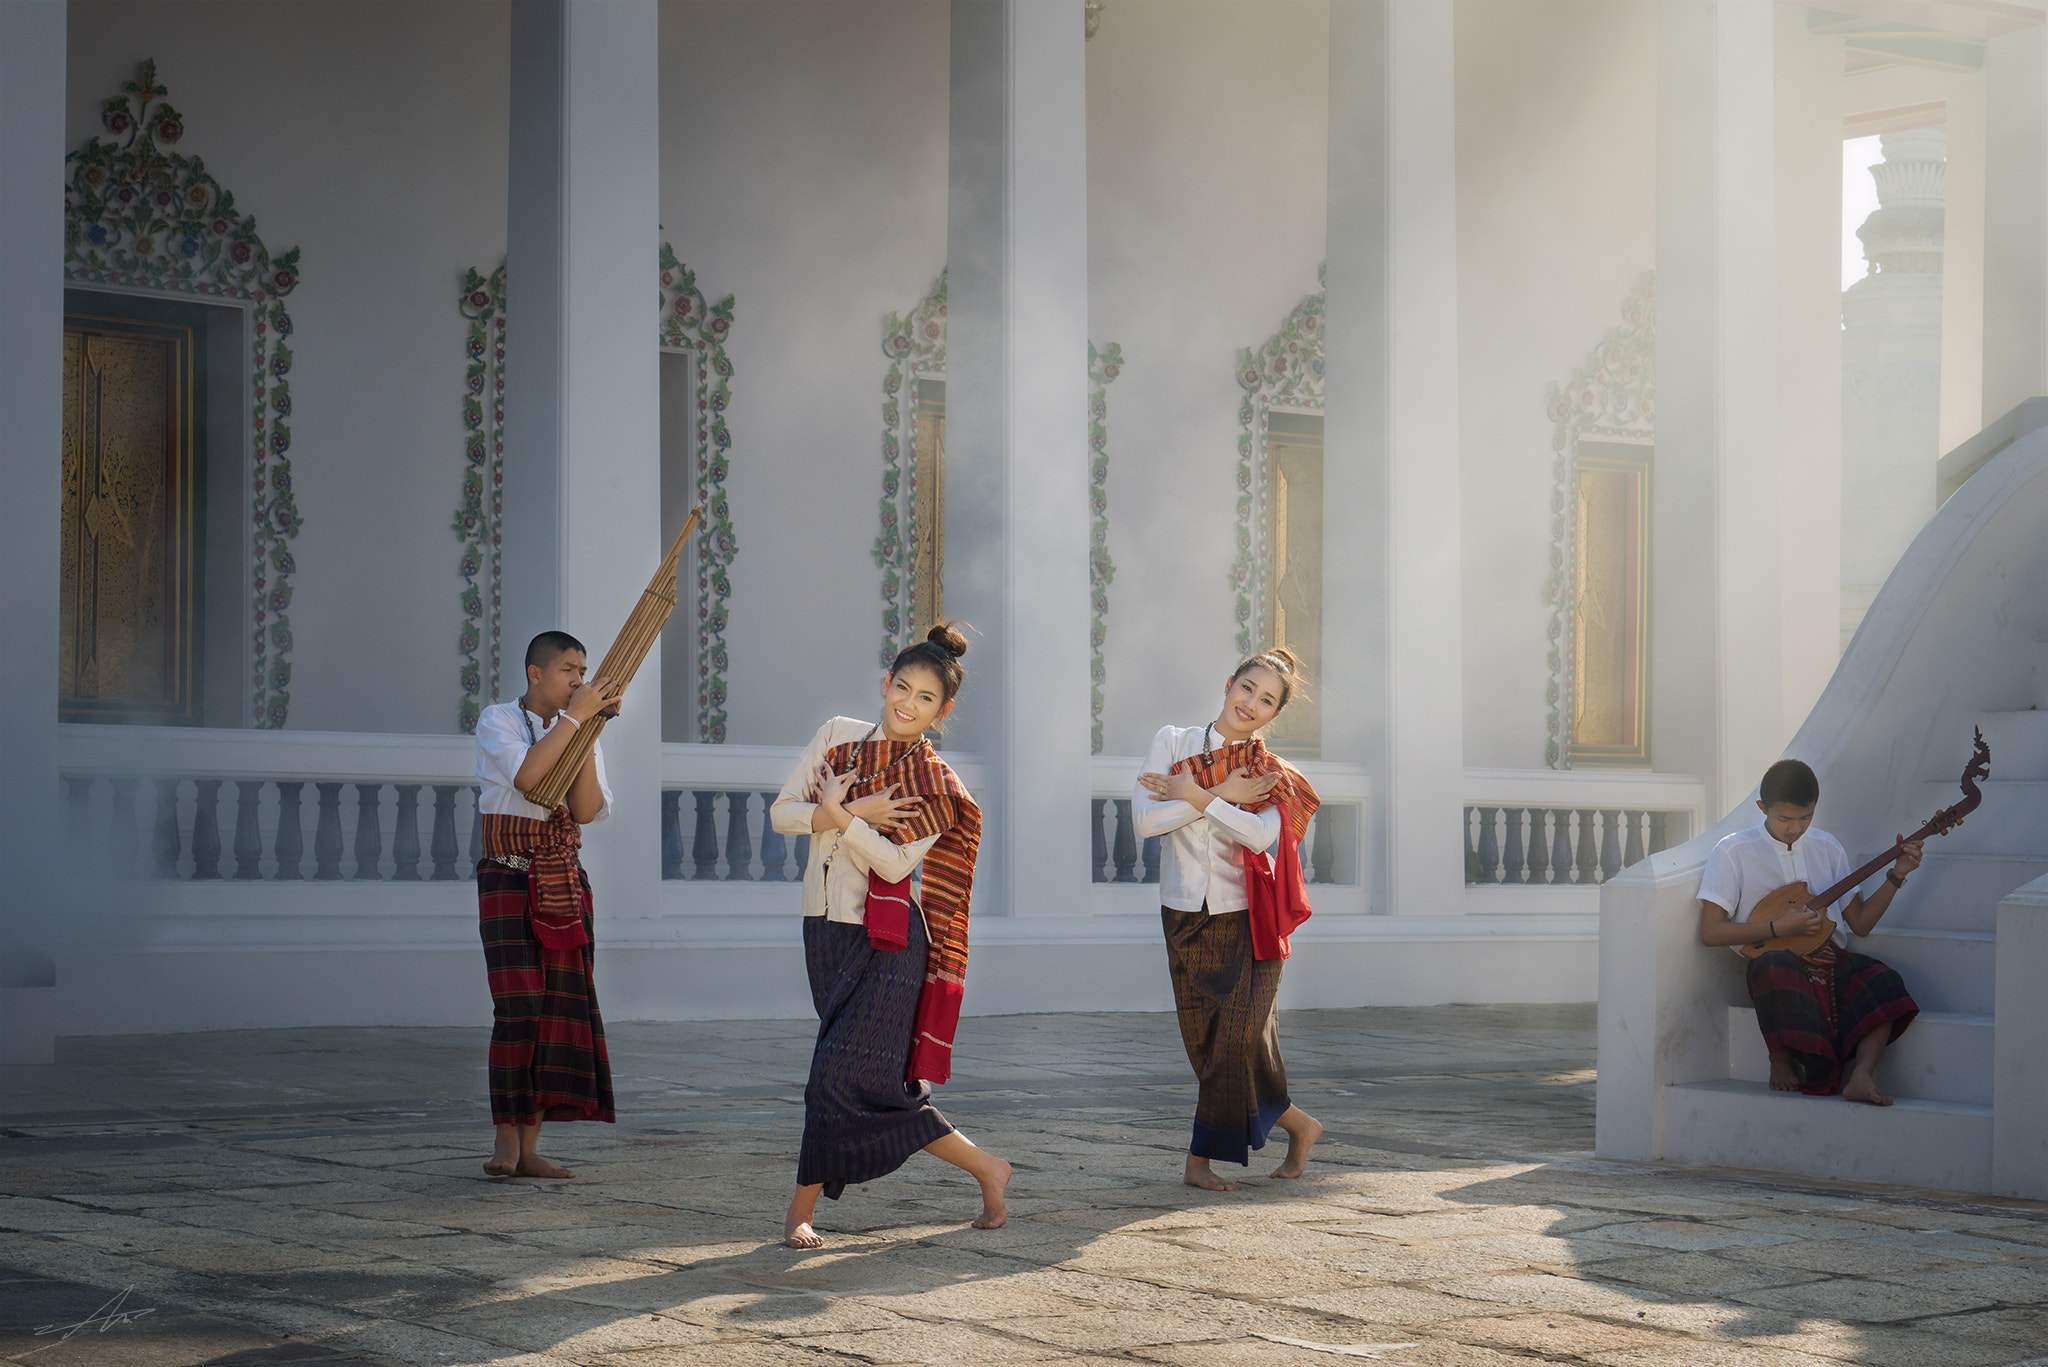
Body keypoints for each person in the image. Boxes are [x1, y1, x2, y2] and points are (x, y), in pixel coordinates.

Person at [769, 622, 1011, 1249]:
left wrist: (843, 815)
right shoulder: (838, 737)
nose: (908, 704)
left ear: (943, 710)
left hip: (892, 943)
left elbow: (895, 864)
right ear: (886, 683)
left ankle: (800, 1213)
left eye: (925, 698)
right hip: (824, 927)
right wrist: (845, 814)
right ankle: (988, 1167)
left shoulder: (935, 782)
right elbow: (782, 814)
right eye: (901, 687)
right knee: (875, 1084)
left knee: (830, 1074)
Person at [1135, 647, 1324, 1192]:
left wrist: (1193, 794)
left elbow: (1262, 835)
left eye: (1266, 701)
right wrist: (1218, 793)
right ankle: (1299, 1123)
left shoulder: (1269, 774)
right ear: (1228, 683)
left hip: (1247, 921)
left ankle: (1200, 1160)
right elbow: (1147, 822)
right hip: (1183, 915)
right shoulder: (1172, 742)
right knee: (1207, 1043)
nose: (1251, 703)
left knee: (1235, 1042)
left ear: (1273, 716)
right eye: (1248, 688)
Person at [472, 630, 624, 1177]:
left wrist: (586, 726)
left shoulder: (579, 730)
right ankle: (505, 1145)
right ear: (535, 673)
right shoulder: (500, 720)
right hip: (508, 880)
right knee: (518, 1009)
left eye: (582, 670)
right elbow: (531, 779)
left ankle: (531, 1149)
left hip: (562, 879)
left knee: (558, 1009)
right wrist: (574, 720)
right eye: (567, 670)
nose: (578, 680)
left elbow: (582, 810)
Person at [1697, 758, 1924, 1106]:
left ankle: (1862, 1074)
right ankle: (1781, 1058)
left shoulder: (1827, 847)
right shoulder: (1733, 851)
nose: (1795, 828)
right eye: (1784, 819)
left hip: (1830, 959)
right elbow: (1710, 932)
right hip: (1778, 965)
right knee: (1771, 968)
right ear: (1762, 808)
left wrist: (1897, 874)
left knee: (1884, 980)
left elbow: (1860, 924)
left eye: (1805, 818)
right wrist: (1778, 928)